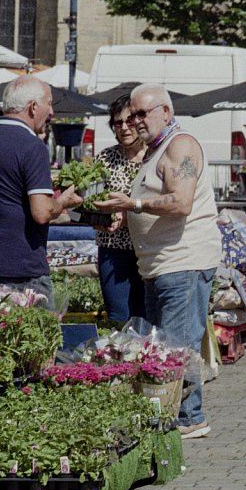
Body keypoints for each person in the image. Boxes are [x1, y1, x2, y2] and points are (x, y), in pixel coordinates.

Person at [95, 83, 222, 440]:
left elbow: (180, 203)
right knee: (167, 345)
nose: (135, 121)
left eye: (142, 113)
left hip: (182, 261)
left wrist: (133, 205)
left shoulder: (180, 145)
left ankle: (188, 417)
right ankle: (174, 413)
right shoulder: (156, 150)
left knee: (177, 345)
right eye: (131, 114)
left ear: (165, 112)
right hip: (159, 264)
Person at [0, 75, 81, 307]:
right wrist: (64, 201)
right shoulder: (32, 145)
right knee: (39, 340)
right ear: (33, 106)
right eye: (49, 103)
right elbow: (42, 212)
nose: (52, 113)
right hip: (21, 266)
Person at [94, 95, 147, 322]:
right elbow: (88, 202)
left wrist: (130, 217)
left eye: (129, 121)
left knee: (146, 316)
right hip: (113, 248)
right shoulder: (105, 158)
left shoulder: (156, 157)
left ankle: (148, 358)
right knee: (118, 316)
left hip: (148, 248)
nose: (124, 128)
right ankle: (120, 357)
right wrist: (99, 217)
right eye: (118, 123)